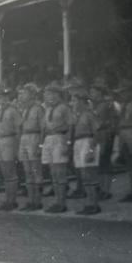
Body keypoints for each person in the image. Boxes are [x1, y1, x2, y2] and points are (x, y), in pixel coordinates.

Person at [41, 81, 74, 213]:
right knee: (53, 172)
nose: (50, 96)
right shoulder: (48, 108)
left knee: (60, 172)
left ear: (58, 94)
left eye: (52, 93)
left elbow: (70, 125)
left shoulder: (64, 108)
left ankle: (62, 203)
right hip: (49, 138)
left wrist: (68, 143)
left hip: (60, 137)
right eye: (48, 93)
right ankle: (57, 201)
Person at [70, 87, 102, 215]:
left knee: (89, 175)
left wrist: (90, 150)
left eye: (75, 100)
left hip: (88, 142)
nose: (73, 103)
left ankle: (94, 204)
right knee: (84, 176)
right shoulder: (77, 115)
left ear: (83, 102)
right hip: (78, 142)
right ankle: (89, 203)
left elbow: (97, 133)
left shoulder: (89, 114)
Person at [17, 83, 45, 211]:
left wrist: (40, 144)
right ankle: (31, 200)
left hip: (34, 136)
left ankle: (37, 201)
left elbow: (42, 128)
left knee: (35, 170)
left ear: (32, 94)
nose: (22, 95)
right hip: (24, 137)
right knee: (27, 171)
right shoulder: (24, 109)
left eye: (25, 93)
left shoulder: (38, 108)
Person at [0, 85, 22, 211]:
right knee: (4, 171)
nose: (2, 99)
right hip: (0, 139)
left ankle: (12, 200)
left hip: (9, 139)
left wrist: (17, 147)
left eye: (4, 96)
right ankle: (7, 199)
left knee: (10, 171)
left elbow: (18, 129)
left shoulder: (13, 110)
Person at [89, 78, 117, 200]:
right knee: (99, 163)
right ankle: (101, 189)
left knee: (105, 163)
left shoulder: (106, 105)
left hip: (104, 134)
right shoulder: (94, 105)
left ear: (99, 92)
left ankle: (106, 190)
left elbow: (109, 120)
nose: (92, 94)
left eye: (93, 92)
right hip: (97, 135)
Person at [115, 81, 132, 202]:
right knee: (129, 164)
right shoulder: (123, 105)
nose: (122, 94)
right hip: (124, 133)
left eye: (124, 92)